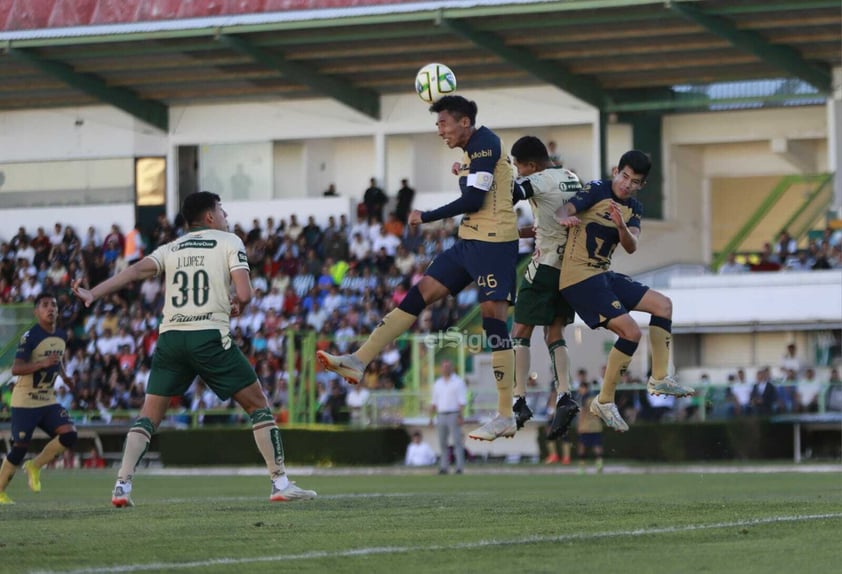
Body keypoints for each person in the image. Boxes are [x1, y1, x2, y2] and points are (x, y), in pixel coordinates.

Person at [72, 191, 316, 506]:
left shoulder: (171, 248)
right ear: (211, 217)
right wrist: (236, 302)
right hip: (208, 336)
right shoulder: (230, 242)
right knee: (258, 405)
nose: (226, 216)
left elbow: (133, 272)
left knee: (148, 416)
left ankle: (122, 485)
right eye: (222, 211)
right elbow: (245, 293)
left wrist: (93, 293)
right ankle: (279, 482)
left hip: (171, 338)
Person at [317, 95, 520, 441]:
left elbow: (475, 200)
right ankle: (358, 359)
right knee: (419, 294)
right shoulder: (472, 153)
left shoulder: (486, 142)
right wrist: (464, 174)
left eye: (443, 123)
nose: (439, 130)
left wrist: (425, 216)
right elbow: (499, 192)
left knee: (493, 319)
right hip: (469, 241)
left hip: (493, 244)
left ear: (464, 122)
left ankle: (505, 413)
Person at [555, 150, 694, 432]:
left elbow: (631, 246)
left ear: (641, 185)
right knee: (631, 332)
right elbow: (563, 210)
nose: (627, 184)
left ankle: (659, 377)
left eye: (634, 181)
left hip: (602, 275)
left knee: (663, 305)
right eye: (624, 176)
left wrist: (620, 225)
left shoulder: (634, 209)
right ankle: (605, 400)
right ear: (616, 170)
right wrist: (565, 218)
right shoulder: (596, 189)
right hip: (579, 277)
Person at [507, 136, 583, 439]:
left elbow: (512, 194)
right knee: (554, 333)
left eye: (518, 166)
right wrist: (527, 230)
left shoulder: (536, 179)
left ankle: (519, 400)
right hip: (570, 268)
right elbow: (557, 216)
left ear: (532, 165)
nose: (518, 173)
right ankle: (565, 395)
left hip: (545, 265)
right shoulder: (570, 177)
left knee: (519, 332)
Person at [0, 292, 78, 505]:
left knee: (69, 434)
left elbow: (57, 360)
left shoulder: (61, 335)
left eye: (53, 305)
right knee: (20, 447)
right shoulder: (30, 336)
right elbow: (16, 368)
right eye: (45, 305)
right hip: (25, 401)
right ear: (37, 312)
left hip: (47, 400)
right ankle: (0, 491)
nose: (50, 309)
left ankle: (34, 466)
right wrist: (40, 365)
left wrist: (64, 377)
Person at [429, 359, 468, 474]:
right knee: (442, 442)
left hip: (454, 413)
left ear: (452, 368)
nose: (446, 369)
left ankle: (459, 467)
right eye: (444, 367)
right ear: (441, 369)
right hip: (441, 414)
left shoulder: (458, 382)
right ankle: (444, 467)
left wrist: (460, 416)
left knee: (457, 442)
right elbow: (434, 403)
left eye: (448, 366)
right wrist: (431, 418)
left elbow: (462, 401)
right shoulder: (438, 383)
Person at [574, 381, 604, 474]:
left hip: (586, 426)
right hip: (596, 426)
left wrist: (579, 425)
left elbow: (582, 412)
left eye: (581, 388)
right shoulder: (596, 398)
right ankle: (599, 463)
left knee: (582, 446)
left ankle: (582, 466)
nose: (580, 390)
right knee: (597, 445)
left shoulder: (584, 398)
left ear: (585, 388)